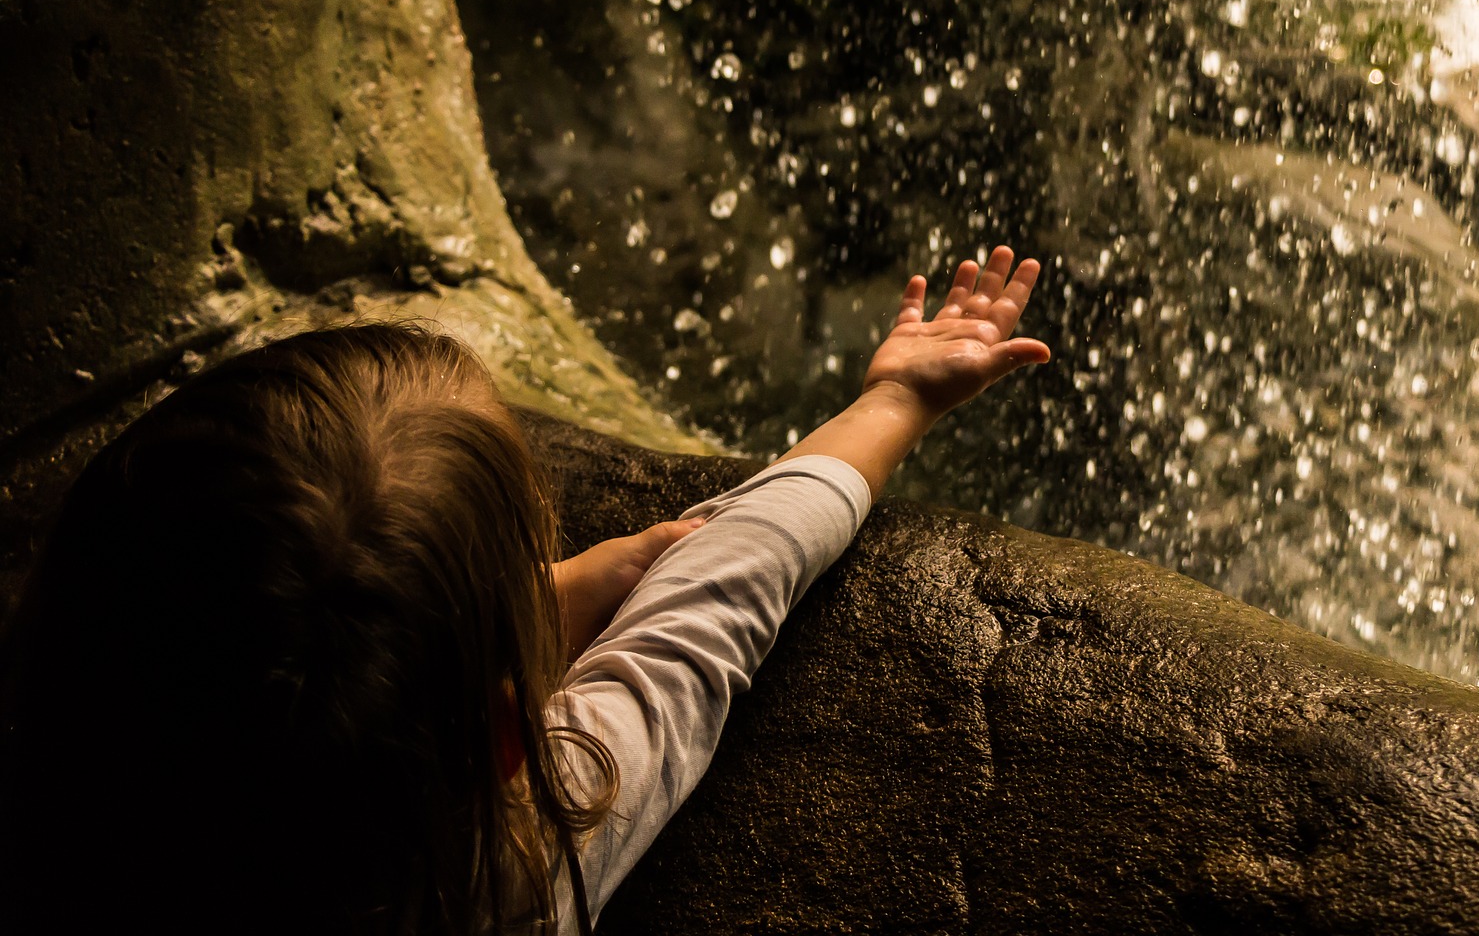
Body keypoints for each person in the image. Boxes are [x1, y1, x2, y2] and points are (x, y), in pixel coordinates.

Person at [0, 247, 1048, 935]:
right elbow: (722, 596)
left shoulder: (70, 791)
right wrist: (900, 396)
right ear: (505, 734)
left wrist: (537, 600)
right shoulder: (510, 875)